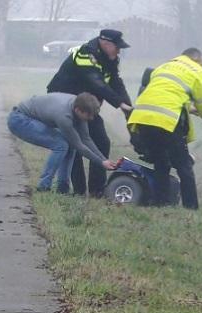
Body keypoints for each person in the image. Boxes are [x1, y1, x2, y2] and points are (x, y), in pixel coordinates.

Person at [127, 48, 202, 209]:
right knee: (184, 166)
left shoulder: (164, 66)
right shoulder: (196, 71)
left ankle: (161, 204)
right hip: (166, 121)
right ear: (198, 60)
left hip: (142, 118)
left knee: (161, 162)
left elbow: (168, 94)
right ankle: (191, 209)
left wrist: (189, 108)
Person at [47, 29, 132, 197]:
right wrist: (119, 103)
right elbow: (97, 84)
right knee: (74, 145)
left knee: (102, 142)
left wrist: (128, 106)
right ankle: (78, 191)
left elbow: (115, 81)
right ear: (106, 44)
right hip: (66, 104)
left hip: (86, 105)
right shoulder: (85, 53)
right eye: (117, 47)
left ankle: (97, 190)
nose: (119, 51)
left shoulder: (110, 58)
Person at [7, 92, 116, 193]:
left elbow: (86, 139)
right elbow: (79, 146)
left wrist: (104, 159)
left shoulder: (78, 104)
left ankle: (63, 189)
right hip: (19, 120)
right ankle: (43, 186)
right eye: (89, 115)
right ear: (78, 110)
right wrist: (101, 163)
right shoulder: (64, 116)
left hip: (31, 118)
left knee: (68, 145)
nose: (91, 118)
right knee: (61, 145)